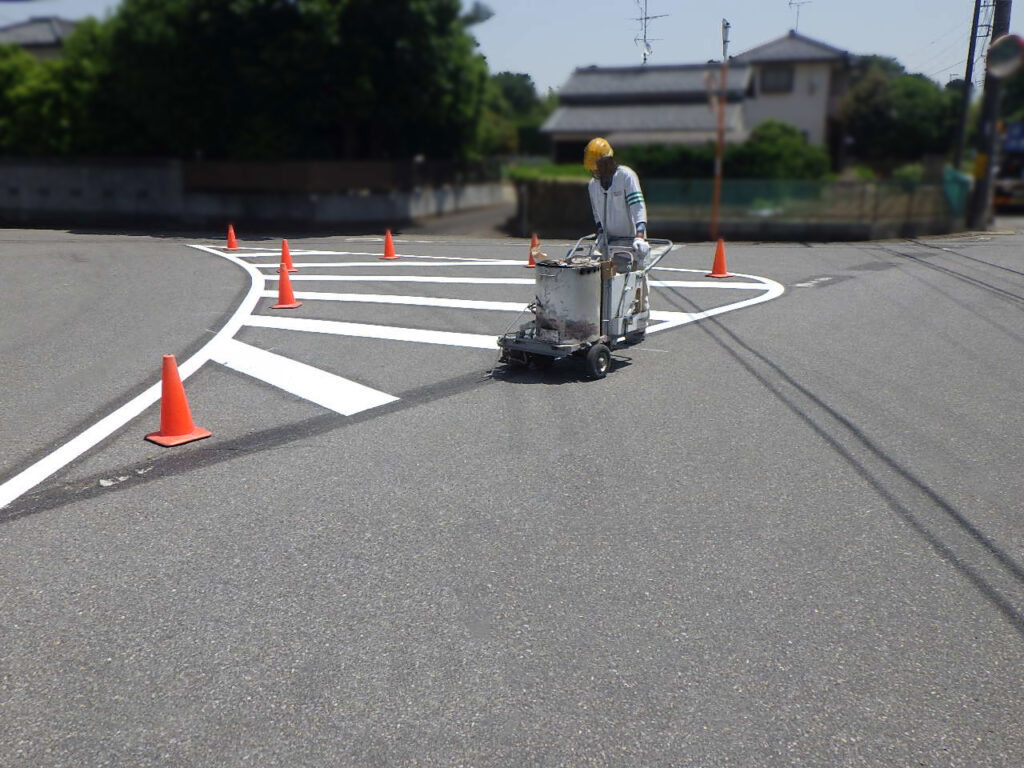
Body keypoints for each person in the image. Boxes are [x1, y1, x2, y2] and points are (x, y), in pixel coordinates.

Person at [583, 137, 650, 264]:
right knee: (604, 279)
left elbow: (638, 207)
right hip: (609, 242)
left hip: (632, 242)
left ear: (608, 162)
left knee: (635, 280)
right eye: (593, 168)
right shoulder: (593, 185)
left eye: (598, 167)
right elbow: (597, 214)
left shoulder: (626, 176)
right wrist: (601, 234)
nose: (595, 170)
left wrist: (640, 236)